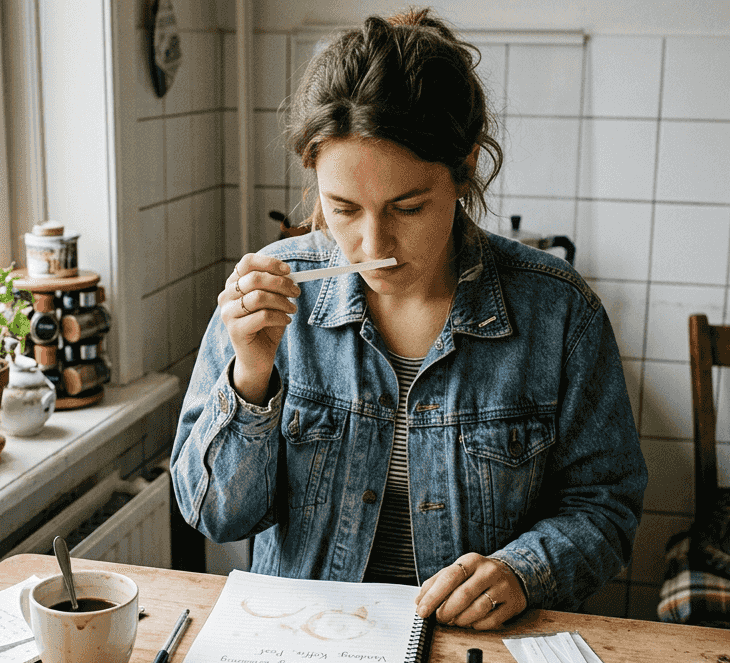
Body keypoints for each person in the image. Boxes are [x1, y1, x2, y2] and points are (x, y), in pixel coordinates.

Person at [170, 9, 646, 630]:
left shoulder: (558, 312)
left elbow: (605, 507)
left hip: (475, 653)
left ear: (465, 167)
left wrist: (523, 571)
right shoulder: (271, 295)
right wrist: (251, 376)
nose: (374, 244)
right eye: (344, 209)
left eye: (409, 207)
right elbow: (215, 516)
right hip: (308, 647)